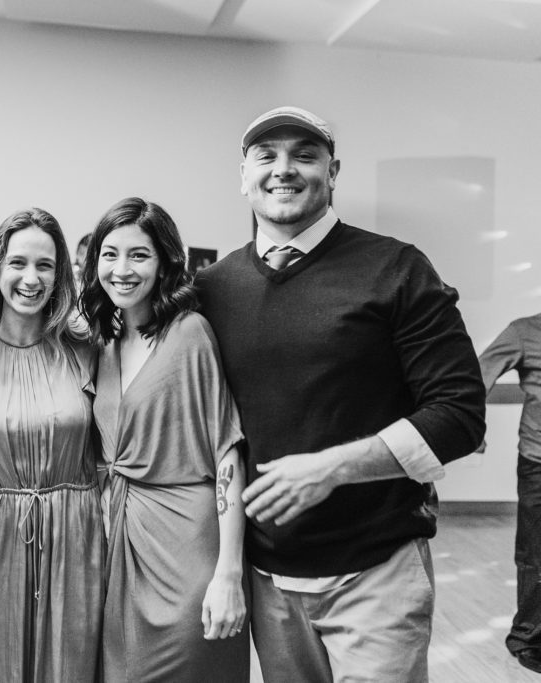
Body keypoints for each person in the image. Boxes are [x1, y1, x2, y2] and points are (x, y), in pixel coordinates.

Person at [196, 106, 487, 682]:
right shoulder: (213, 287)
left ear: (333, 172)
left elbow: (460, 415)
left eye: (304, 155)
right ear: (243, 175)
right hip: (268, 578)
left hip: (376, 568)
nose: (284, 169)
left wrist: (331, 468)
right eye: (267, 156)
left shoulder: (396, 268)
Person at [80, 196, 249, 682]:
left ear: (165, 264)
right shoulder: (106, 341)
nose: (122, 269)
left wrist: (228, 573)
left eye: (139, 255)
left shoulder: (188, 333)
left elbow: (227, 453)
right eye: (109, 254)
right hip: (119, 540)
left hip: (184, 544)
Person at [0, 208, 104, 682]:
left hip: (76, 530)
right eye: (18, 263)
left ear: (61, 277)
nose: (30, 278)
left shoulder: (87, 347)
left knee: (70, 665)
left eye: (45, 265)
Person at [478, 314, 541, 673]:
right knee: (536, 552)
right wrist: (469, 429)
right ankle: (529, 638)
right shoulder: (524, 331)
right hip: (538, 462)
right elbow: (475, 379)